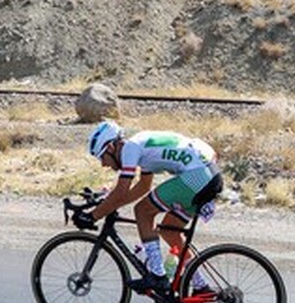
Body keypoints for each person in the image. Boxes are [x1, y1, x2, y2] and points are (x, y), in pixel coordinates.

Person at [75, 120, 222, 293]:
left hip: (197, 177)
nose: (104, 164)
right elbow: (142, 187)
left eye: (102, 157)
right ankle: (201, 285)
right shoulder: (140, 147)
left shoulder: (130, 148)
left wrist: (92, 216)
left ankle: (157, 275)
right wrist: (109, 204)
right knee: (170, 232)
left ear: (111, 148)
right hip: (209, 176)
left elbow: (122, 191)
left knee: (142, 211)